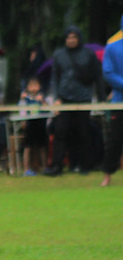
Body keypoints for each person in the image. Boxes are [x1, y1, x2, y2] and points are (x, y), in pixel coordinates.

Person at [45, 26, 102, 176]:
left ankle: (85, 165)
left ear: (79, 38)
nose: (71, 40)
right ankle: (57, 166)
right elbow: (55, 78)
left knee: (84, 132)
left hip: (83, 98)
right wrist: (56, 98)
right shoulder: (59, 55)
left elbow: (97, 76)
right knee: (60, 131)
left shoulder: (88, 54)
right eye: (68, 38)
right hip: (64, 99)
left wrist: (100, 97)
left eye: (74, 37)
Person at [101, 15, 123, 187]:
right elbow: (108, 73)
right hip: (119, 101)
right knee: (115, 140)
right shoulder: (113, 45)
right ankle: (107, 175)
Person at [18, 77, 51, 176]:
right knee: (27, 147)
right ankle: (26, 169)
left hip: (41, 123)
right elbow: (21, 109)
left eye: (35, 85)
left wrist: (43, 101)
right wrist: (23, 120)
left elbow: (48, 110)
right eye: (31, 86)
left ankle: (45, 167)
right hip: (29, 124)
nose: (33, 88)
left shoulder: (43, 97)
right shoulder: (25, 99)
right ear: (27, 87)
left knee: (42, 147)